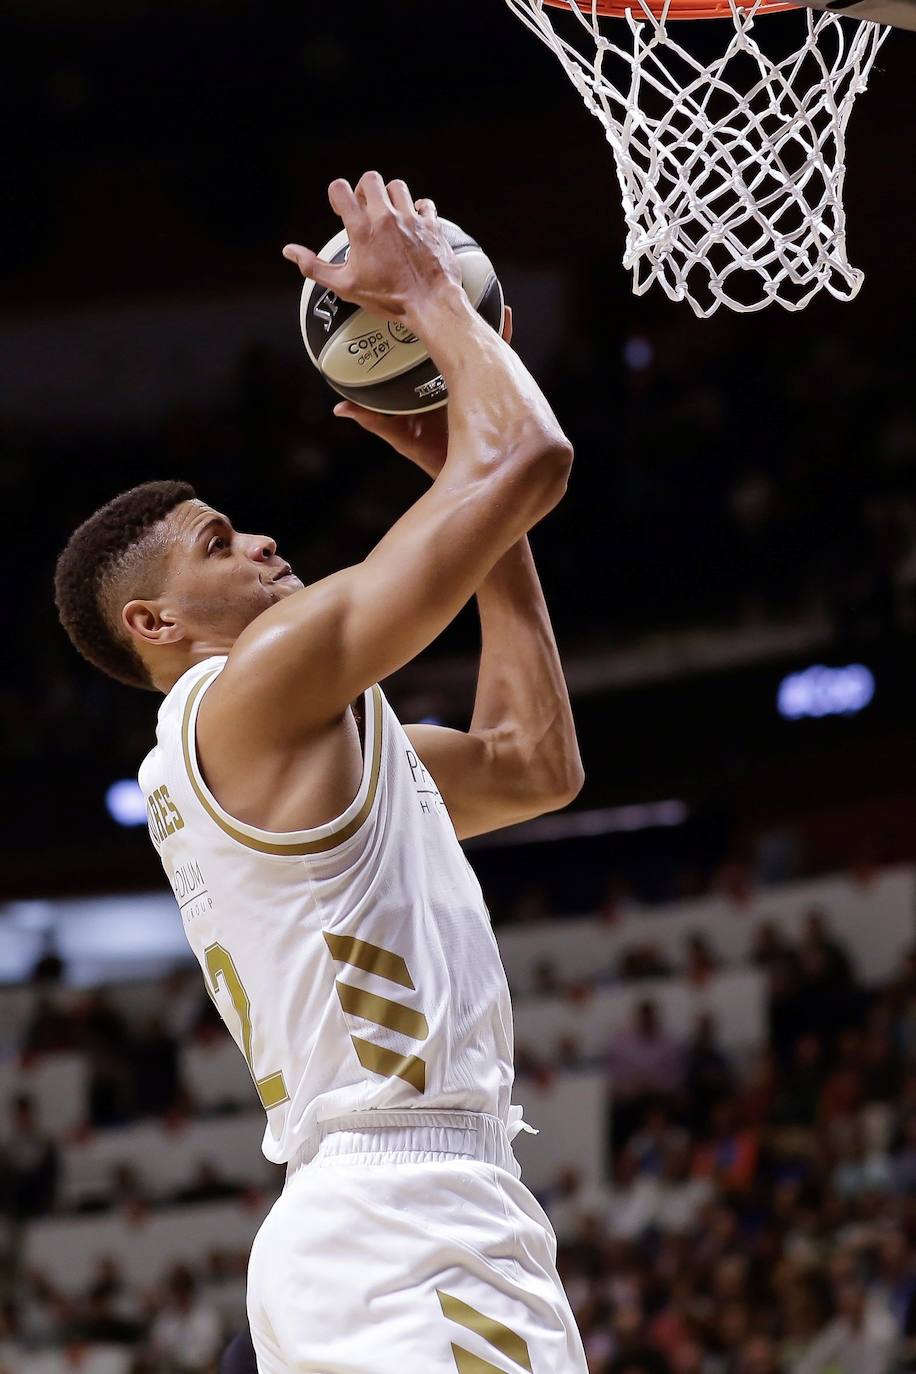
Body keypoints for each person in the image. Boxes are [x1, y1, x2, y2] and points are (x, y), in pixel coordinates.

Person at [54, 172, 586, 1371]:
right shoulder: (247, 694)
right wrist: (436, 308)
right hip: (403, 1224)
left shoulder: (283, 743)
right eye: (215, 543)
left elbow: (531, 764)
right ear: (154, 623)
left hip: (387, 1222)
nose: (259, 540)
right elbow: (536, 457)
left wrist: (472, 485)